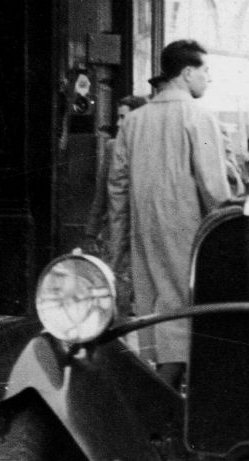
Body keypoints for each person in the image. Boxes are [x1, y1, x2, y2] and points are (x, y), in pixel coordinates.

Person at [109, 39, 232, 389]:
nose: (209, 79)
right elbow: (215, 189)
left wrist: (118, 246)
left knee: (152, 309)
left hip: (144, 232)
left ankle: (159, 380)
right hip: (191, 232)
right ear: (187, 72)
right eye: (206, 71)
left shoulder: (133, 122)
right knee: (186, 311)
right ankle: (164, 393)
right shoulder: (200, 117)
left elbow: (116, 189)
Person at [83, 95, 147, 313]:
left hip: (145, 231)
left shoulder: (152, 147)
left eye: (123, 117)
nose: (119, 123)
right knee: (116, 292)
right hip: (117, 232)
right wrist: (91, 232)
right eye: (118, 117)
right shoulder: (112, 147)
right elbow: (102, 193)